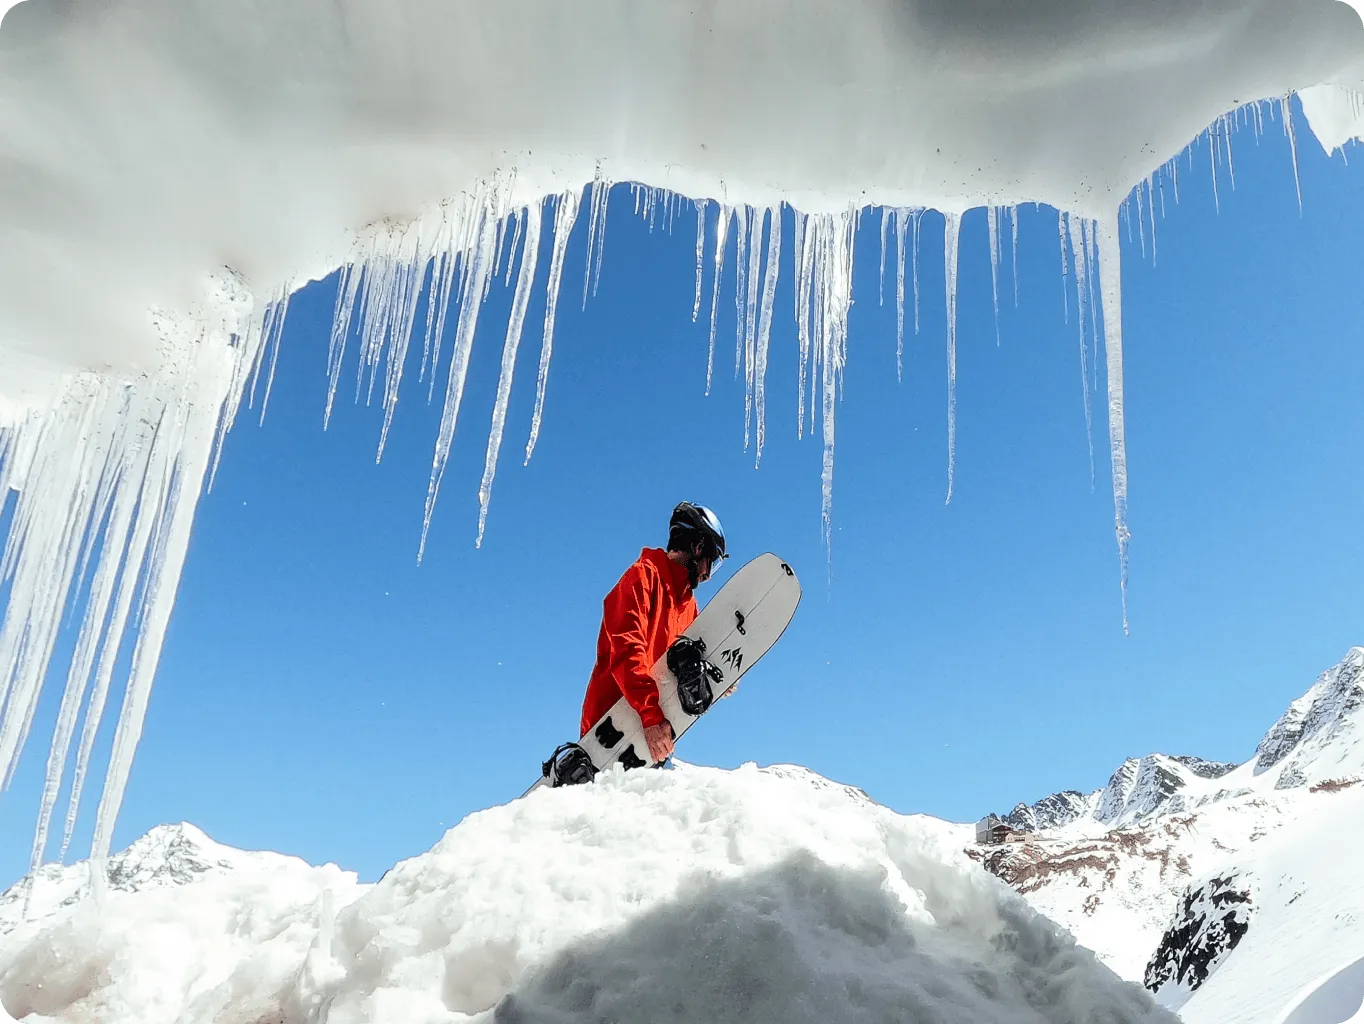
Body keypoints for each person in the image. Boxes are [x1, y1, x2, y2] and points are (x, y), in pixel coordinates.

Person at [580, 502, 728, 765]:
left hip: (652, 738)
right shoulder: (641, 578)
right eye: (711, 562)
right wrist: (650, 715)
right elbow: (627, 650)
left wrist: (716, 677)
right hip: (609, 730)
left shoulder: (688, 606)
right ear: (698, 547)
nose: (707, 575)